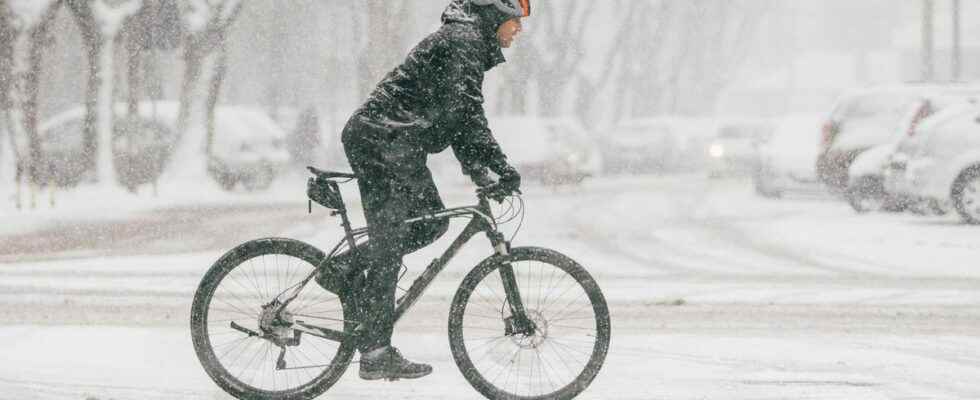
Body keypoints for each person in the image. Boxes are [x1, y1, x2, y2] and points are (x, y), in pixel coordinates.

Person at [316, 0, 531, 381]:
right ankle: (376, 351)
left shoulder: (467, 40)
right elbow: (466, 112)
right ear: (496, 13)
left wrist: (479, 168)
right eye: (516, 20)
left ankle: (344, 268)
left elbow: (455, 116)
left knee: (430, 225)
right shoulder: (463, 39)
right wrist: (498, 166)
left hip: (395, 141)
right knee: (392, 239)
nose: (519, 29)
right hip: (383, 139)